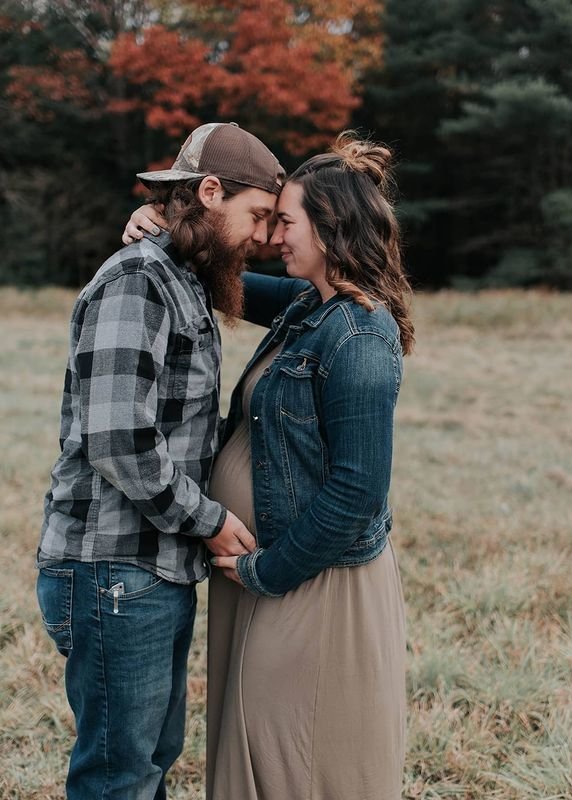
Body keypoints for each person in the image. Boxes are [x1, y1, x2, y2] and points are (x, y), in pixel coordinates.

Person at [124, 132, 414, 799]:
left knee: (299, 751)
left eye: (286, 222)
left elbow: (358, 492)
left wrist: (267, 571)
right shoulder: (310, 306)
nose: (272, 237)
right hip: (270, 570)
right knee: (261, 737)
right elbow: (217, 274)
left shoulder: (360, 335)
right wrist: (160, 229)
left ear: (331, 228)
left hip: (306, 580)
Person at [36, 122, 285, 799]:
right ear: (209, 191)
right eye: (257, 215)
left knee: (146, 760)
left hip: (148, 568)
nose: (263, 235)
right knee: (119, 777)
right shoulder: (139, 282)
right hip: (112, 568)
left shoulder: (185, 275)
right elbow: (118, 439)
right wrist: (207, 518)